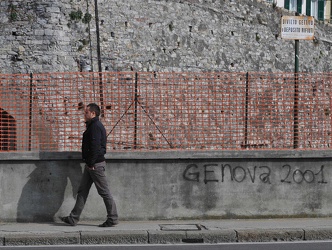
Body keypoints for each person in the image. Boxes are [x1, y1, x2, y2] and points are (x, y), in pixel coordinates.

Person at [61, 103, 118, 227]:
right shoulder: (92, 126)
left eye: (86, 112)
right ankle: (73, 218)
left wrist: (91, 163)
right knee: (82, 191)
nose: (84, 114)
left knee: (104, 192)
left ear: (93, 113)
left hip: (95, 165)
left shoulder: (95, 127)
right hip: (91, 164)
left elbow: (95, 147)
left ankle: (113, 218)